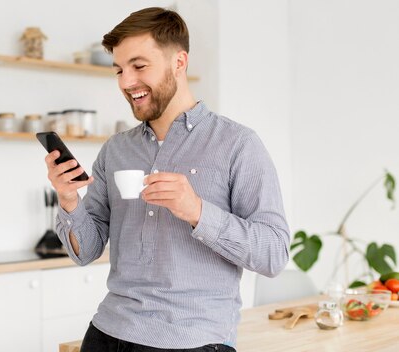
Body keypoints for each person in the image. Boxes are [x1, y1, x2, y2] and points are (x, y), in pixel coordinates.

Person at [43, 7, 290, 352]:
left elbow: (274, 254)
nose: (127, 82)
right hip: (106, 333)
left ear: (179, 62)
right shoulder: (116, 150)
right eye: (119, 70)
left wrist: (197, 211)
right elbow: (86, 251)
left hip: (192, 340)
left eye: (139, 66)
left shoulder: (238, 145)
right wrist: (69, 200)